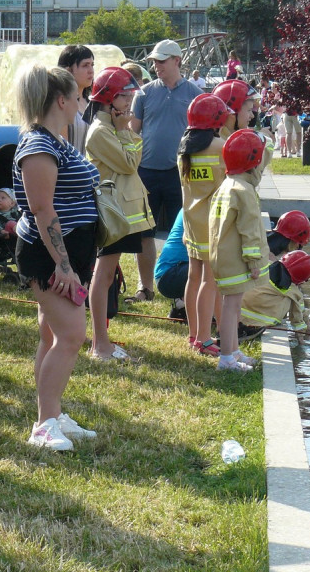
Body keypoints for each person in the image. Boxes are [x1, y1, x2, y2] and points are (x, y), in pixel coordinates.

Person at [13, 63, 99, 451]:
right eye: (78, 96)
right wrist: (63, 266)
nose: (82, 102)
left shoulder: (57, 140)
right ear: (62, 100)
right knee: (71, 335)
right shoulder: (38, 146)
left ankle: (53, 413)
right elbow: (42, 210)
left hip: (69, 253)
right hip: (49, 256)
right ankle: (44, 424)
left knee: (51, 335)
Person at [83, 67, 153, 361]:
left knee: (108, 275)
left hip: (123, 214)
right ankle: (100, 344)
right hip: (114, 217)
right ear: (109, 99)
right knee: (103, 275)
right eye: (124, 97)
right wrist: (127, 131)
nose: (129, 103)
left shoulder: (111, 127)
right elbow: (129, 164)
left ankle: (103, 340)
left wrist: (124, 130)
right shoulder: (101, 131)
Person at [128, 39, 202, 302]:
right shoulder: (144, 93)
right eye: (154, 61)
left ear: (177, 61)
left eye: (161, 61)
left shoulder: (195, 94)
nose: (156, 66)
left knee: (182, 233)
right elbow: (132, 132)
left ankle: (180, 292)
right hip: (146, 172)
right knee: (144, 233)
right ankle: (145, 288)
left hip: (180, 174)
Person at [208, 129, 270, 372]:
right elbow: (250, 230)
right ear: (253, 161)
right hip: (236, 259)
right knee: (232, 307)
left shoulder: (226, 186)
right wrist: (254, 261)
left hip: (222, 255)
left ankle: (233, 351)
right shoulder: (245, 191)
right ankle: (227, 358)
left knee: (231, 305)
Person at [178, 94, 232, 357]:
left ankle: (193, 335)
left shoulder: (184, 148)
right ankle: (205, 339)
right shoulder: (221, 147)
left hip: (191, 220)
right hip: (212, 223)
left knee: (194, 277)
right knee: (211, 282)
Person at [240, 212, 310, 344]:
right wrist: (306, 335)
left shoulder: (263, 250)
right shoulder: (292, 289)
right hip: (264, 321)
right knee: (292, 299)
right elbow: (299, 317)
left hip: (237, 309)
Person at [58, 44, 96, 154]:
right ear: (68, 70)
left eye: (92, 65)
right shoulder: (61, 103)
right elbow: (62, 147)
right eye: (85, 65)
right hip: (72, 168)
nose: (91, 71)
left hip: (90, 169)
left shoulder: (92, 102)